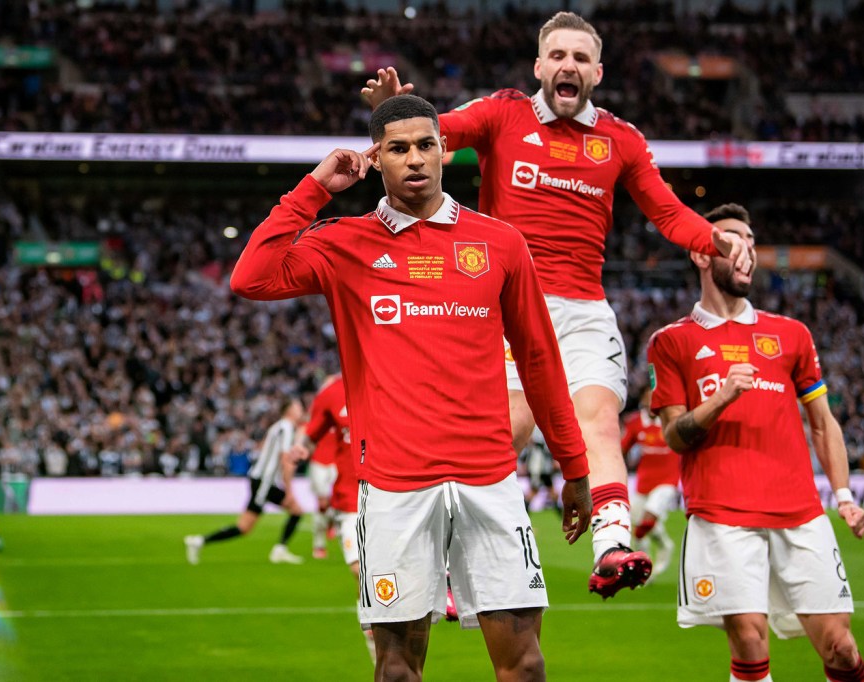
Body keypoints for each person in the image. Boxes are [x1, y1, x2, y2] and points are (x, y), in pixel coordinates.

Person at [361, 11, 751, 598]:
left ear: (597, 71)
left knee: (595, 417)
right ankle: (445, 559)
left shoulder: (621, 139)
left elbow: (667, 212)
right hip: (507, 306)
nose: (569, 65)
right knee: (507, 429)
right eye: (559, 56)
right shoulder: (503, 113)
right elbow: (437, 137)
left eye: (581, 58)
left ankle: (614, 546)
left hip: (584, 309)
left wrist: (715, 240)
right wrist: (401, 111)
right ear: (540, 66)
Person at [230, 94, 592, 681]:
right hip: (396, 485)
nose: (416, 158)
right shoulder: (343, 242)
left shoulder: (500, 242)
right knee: (397, 667)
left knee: (524, 665)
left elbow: (540, 361)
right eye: (398, 148)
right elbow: (251, 278)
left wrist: (575, 467)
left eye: (427, 144)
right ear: (378, 158)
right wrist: (315, 188)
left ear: (445, 149)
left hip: (490, 479)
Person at [646, 203, 864, 682]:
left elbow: (822, 422)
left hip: (800, 512)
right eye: (732, 239)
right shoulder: (672, 342)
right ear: (702, 254)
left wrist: (846, 496)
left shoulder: (791, 334)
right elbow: (674, 435)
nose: (747, 248)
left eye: (751, 240)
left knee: (841, 647)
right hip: (721, 515)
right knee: (749, 640)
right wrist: (722, 398)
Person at [300, 374, 378, 662]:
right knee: (359, 569)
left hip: (389, 494)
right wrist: (301, 449)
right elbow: (312, 434)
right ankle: (369, 619)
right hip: (349, 500)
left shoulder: (389, 376)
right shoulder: (331, 394)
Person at [184, 397, 309, 566]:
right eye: (298, 407)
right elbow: (285, 460)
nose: (301, 410)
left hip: (262, 480)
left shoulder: (279, 427)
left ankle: (199, 541)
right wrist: (289, 491)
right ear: (289, 410)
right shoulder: (286, 428)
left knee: (246, 527)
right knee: (291, 511)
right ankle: (279, 550)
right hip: (264, 483)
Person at [620, 385, 680, 582]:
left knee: (645, 523)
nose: (651, 402)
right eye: (648, 398)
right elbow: (622, 449)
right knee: (636, 527)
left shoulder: (673, 419)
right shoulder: (636, 423)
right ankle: (647, 563)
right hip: (643, 482)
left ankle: (651, 560)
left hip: (668, 481)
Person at [305, 374, 342, 560]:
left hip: (337, 461)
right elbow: (309, 431)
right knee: (321, 503)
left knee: (337, 502)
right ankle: (319, 544)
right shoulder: (318, 408)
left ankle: (332, 525)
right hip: (319, 461)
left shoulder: (342, 408)